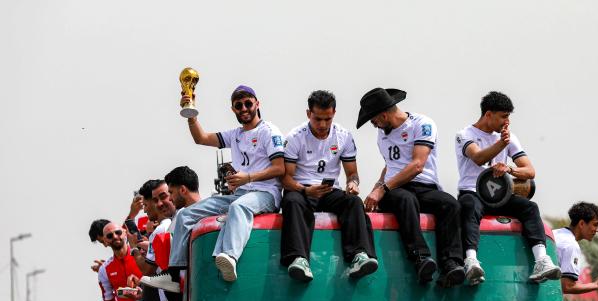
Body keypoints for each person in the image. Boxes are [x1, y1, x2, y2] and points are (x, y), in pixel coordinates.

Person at [142, 85, 285, 288]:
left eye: (248, 103)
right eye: (238, 105)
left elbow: (280, 168)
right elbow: (201, 138)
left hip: (265, 193)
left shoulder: (268, 131)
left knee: (239, 208)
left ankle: (230, 257)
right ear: (233, 109)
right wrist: (190, 114)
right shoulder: (234, 135)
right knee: (185, 215)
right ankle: (174, 276)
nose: (244, 108)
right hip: (241, 193)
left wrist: (248, 177)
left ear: (257, 104)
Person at [360, 88, 464, 287]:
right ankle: (421, 258)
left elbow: (417, 165)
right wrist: (376, 189)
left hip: (423, 185)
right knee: (406, 200)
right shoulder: (382, 135)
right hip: (396, 190)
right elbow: (389, 166)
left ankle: (451, 264)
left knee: (450, 204)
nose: (375, 126)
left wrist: (382, 189)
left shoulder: (422, 124)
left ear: (383, 115)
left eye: (374, 121)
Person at [455, 91, 560, 284]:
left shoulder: (509, 138)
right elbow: (479, 158)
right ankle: (470, 260)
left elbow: (529, 170)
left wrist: (509, 168)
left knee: (530, 207)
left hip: (500, 196)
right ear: (488, 114)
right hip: (473, 192)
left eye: (508, 116)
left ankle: (541, 260)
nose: (506, 121)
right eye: (503, 116)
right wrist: (501, 144)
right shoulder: (465, 135)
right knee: (469, 206)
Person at [280, 90, 377, 282]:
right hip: (302, 189)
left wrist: (353, 184)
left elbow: (352, 173)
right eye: (318, 119)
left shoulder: (344, 136)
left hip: (330, 190)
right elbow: (285, 178)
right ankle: (299, 259)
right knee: (291, 200)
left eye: (328, 119)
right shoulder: (295, 137)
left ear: (334, 114)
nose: (323, 124)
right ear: (309, 114)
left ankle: (360, 256)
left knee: (353, 202)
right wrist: (305, 190)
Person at [553, 202, 598, 294]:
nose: (597, 230)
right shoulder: (571, 245)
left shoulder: (555, 233)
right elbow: (567, 286)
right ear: (582, 223)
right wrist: (597, 285)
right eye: (595, 224)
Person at [97, 222, 142, 301]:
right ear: (105, 242)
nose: (115, 237)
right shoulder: (104, 269)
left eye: (118, 233)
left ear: (125, 234)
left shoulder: (141, 254)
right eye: (109, 236)